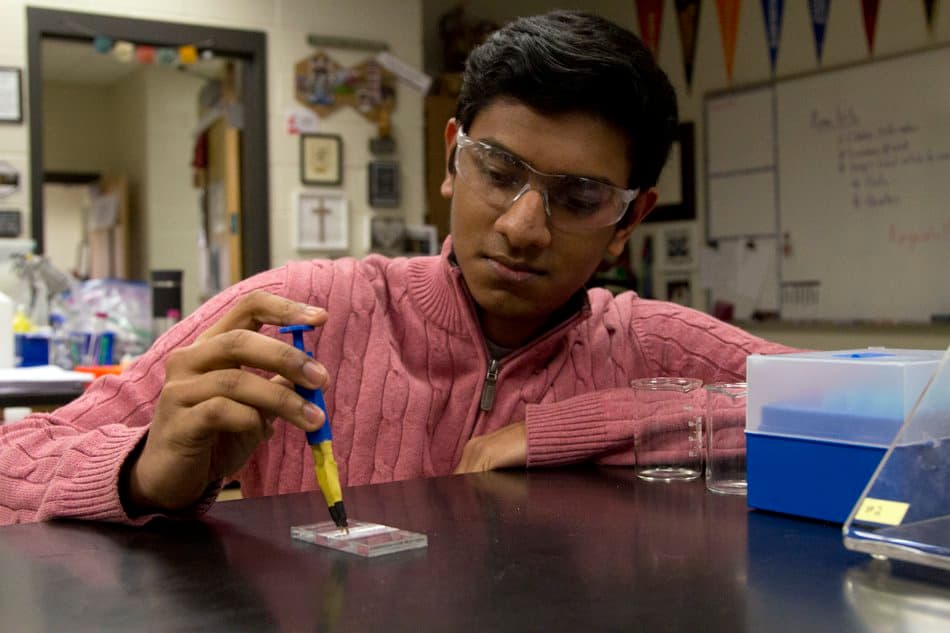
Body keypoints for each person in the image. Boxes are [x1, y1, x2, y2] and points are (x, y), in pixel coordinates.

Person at [0, 10, 793, 525]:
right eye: (497, 170)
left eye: (579, 196)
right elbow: (13, 460)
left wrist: (567, 431)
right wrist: (138, 473)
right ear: (452, 159)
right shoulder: (295, 312)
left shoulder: (652, 345)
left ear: (630, 219)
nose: (522, 227)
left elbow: (867, 415)